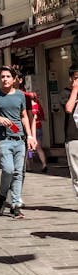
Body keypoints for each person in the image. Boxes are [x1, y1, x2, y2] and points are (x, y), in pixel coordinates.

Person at [0, 66, 36, 219]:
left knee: (19, 173)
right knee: (8, 170)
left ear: (14, 79)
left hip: (20, 139)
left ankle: (16, 205)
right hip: (4, 139)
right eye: (2, 76)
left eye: (7, 76)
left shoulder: (20, 95)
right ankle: (2, 195)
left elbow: (24, 116)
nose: (4, 79)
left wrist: (30, 136)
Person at [63, 68, 78, 205]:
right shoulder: (66, 93)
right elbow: (68, 108)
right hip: (74, 136)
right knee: (76, 173)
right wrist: (75, 90)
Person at [30, 93, 47, 172]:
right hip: (38, 128)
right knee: (39, 148)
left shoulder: (28, 107)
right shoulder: (38, 106)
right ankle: (44, 164)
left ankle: (29, 166)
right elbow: (43, 117)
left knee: (29, 148)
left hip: (31, 129)